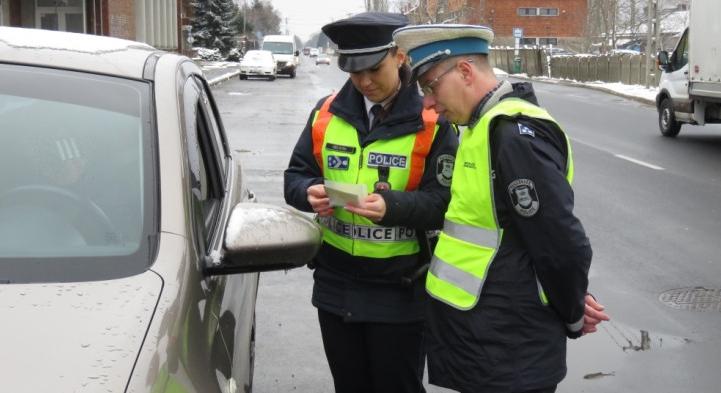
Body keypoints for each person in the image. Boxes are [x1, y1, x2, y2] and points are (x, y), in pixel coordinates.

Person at [392, 24, 611, 393]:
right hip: (488, 345)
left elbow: (560, 244)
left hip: (509, 351)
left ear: (464, 71)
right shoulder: (479, 127)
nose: (427, 102)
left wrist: (572, 312)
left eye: (430, 87)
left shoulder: (512, 134)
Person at [283, 12, 458, 393]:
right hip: (334, 285)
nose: (363, 82)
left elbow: (445, 202)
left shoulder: (433, 122)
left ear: (399, 56)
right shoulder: (325, 113)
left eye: (374, 69)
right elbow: (294, 178)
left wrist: (392, 206)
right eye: (353, 71)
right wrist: (308, 192)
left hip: (400, 290)